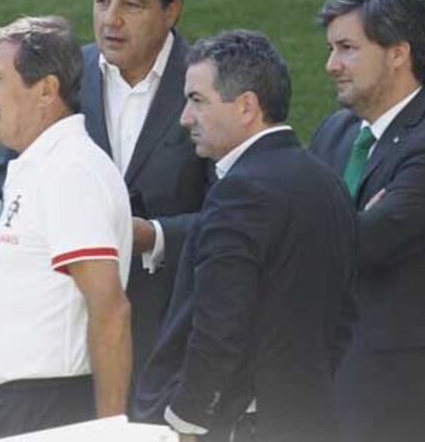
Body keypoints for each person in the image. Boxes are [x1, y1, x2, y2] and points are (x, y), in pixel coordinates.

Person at [0, 0, 210, 380]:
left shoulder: (207, 83)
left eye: (131, 4)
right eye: (102, 0)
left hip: (174, 341)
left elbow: (237, 214)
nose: (110, 20)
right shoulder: (58, 78)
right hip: (60, 346)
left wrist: (154, 236)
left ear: (172, 9)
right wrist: (19, 233)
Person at [133, 30, 357, 442]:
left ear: (246, 107)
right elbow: (344, 318)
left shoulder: (239, 192)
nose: (184, 118)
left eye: (197, 100)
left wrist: (187, 422)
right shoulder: (326, 182)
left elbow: (220, 327)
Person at [309, 0, 425, 442]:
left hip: (400, 403)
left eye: (347, 49)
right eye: (330, 49)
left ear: (398, 53)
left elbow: (359, 246)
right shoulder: (334, 132)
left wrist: (333, 227)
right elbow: (296, 221)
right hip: (325, 389)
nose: (330, 65)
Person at [0, 16, 133, 441]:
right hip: (23, 412)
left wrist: (108, 433)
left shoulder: (70, 171)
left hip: (45, 414)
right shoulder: (42, 165)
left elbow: (110, 310)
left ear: (46, 90)